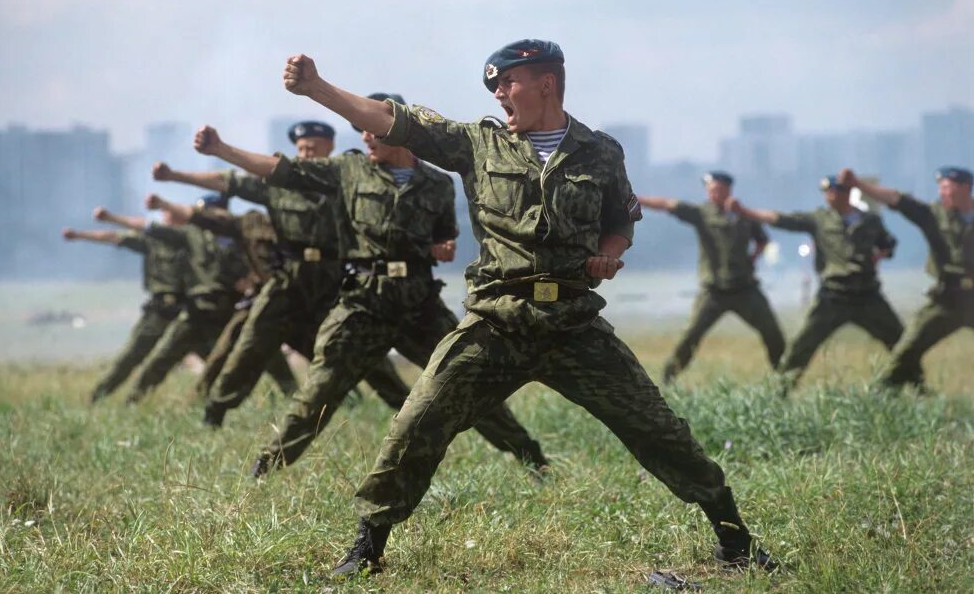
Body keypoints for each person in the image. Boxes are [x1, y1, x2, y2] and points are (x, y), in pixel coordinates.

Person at [262, 40, 775, 576]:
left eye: (507, 84)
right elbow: (395, 121)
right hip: (497, 322)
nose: (499, 95)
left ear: (545, 83)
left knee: (660, 430)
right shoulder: (477, 144)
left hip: (573, 325)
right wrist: (319, 89)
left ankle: (736, 541)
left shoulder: (601, 152)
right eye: (495, 89)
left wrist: (608, 253)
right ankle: (367, 550)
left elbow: (621, 220)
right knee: (417, 424)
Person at [192, 93, 550, 478]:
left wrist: (442, 246)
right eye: (360, 130)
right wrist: (222, 149)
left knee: (468, 382)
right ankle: (263, 471)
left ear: (398, 128)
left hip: (418, 304)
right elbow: (284, 171)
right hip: (364, 302)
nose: (365, 136)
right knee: (319, 393)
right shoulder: (350, 171)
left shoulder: (438, 184)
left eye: (372, 128)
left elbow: (445, 233)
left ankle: (531, 458)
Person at [151, 124, 412, 428]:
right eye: (301, 149)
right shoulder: (277, 184)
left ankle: (408, 412)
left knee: (361, 344)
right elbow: (229, 182)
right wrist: (175, 176)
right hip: (287, 282)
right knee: (249, 347)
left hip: (332, 281)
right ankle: (214, 413)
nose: (306, 154)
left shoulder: (347, 179)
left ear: (330, 147)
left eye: (313, 148)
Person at [728, 176, 902, 394]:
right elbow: (781, 219)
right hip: (833, 297)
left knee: (901, 342)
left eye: (834, 192)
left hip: (868, 295)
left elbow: (888, 244)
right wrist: (745, 212)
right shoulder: (819, 219)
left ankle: (915, 386)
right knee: (802, 346)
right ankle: (780, 392)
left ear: (846, 193)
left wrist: (878, 257)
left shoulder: (869, 221)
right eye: (826, 192)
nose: (829, 196)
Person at [146, 193, 299, 401]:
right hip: (224, 308)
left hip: (255, 302)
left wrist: (248, 280)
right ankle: (209, 405)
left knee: (277, 353)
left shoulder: (235, 232)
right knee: (222, 356)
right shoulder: (202, 237)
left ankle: (297, 395)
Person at [637, 172, 784, 383]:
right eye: (710, 190)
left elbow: (762, 240)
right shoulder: (701, 213)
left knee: (772, 332)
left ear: (728, 190)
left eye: (717, 189)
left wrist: (753, 258)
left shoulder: (743, 213)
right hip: (713, 291)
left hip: (745, 288)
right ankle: (668, 380)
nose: (713, 193)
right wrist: (636, 199)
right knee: (690, 336)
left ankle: (784, 379)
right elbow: (668, 204)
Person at [841, 166, 973, 391]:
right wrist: (859, 185)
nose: (942, 193)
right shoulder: (933, 214)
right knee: (906, 351)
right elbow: (896, 199)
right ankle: (878, 401)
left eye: (947, 188)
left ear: (965, 188)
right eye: (940, 188)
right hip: (947, 300)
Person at [124, 193, 247, 403]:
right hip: (197, 310)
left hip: (227, 311)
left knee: (230, 360)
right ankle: (133, 401)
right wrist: (162, 204)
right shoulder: (192, 236)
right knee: (162, 357)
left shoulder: (236, 237)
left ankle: (218, 403)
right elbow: (152, 228)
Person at [62, 206, 187, 402]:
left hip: (193, 312)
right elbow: (114, 237)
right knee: (131, 356)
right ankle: (99, 398)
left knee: (220, 356)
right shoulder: (154, 240)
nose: (167, 219)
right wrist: (80, 235)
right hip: (161, 309)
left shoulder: (195, 240)